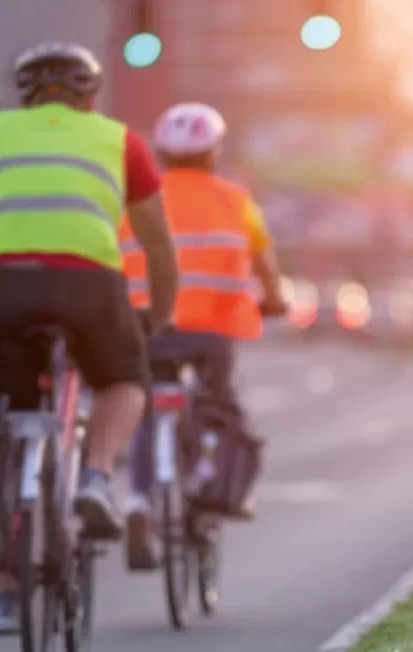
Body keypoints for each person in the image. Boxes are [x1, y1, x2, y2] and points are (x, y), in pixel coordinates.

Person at [0, 43, 179, 635]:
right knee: (125, 383)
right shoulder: (119, 140)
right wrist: (157, 315)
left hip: (1, 288)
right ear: (91, 96)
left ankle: (1, 598)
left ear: (24, 95)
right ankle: (97, 478)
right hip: (88, 285)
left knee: (2, 429)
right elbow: (157, 244)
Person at [118, 102, 287, 571]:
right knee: (216, 406)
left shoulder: (135, 202)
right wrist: (275, 300)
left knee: (147, 411)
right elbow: (266, 265)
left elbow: (114, 261)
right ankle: (208, 474)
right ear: (214, 153)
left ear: (161, 154)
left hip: (149, 328)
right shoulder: (236, 201)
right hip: (212, 333)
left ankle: (137, 502)